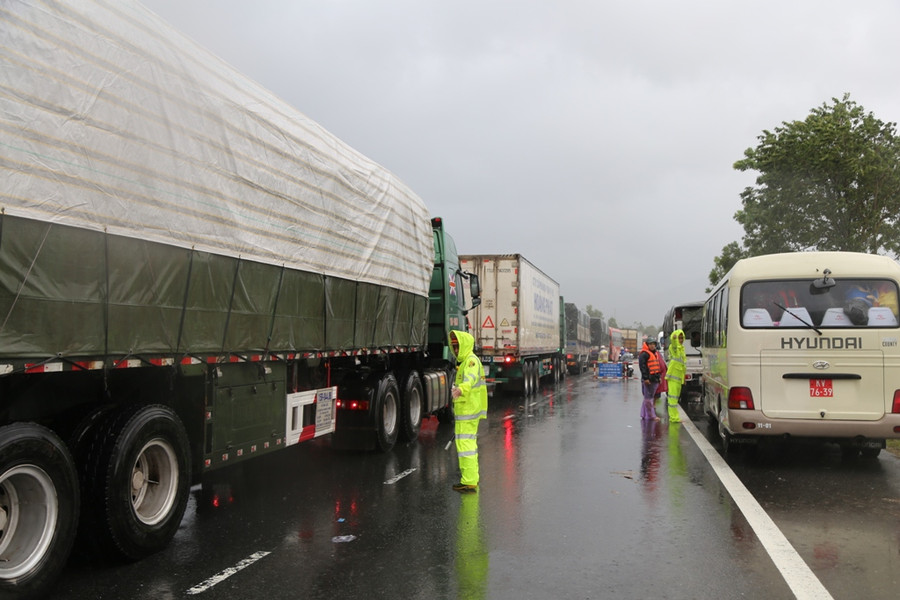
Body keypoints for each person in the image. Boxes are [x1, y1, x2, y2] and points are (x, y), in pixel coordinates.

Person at [449, 329, 488, 493]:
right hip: (467, 410)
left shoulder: (471, 361)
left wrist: (461, 389)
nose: (456, 350)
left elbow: (470, 379)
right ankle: (471, 479)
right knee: (467, 445)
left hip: (468, 411)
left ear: (465, 345)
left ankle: (469, 481)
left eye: (458, 346)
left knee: (466, 447)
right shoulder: (466, 361)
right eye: (454, 347)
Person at [665, 329, 686, 423]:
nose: (680, 340)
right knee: (672, 399)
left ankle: (675, 416)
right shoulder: (674, 348)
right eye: (679, 338)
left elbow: (683, 366)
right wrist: (673, 339)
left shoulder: (682, 349)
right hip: (673, 378)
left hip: (678, 379)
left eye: (681, 338)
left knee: (675, 399)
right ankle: (673, 417)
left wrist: (683, 379)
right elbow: (673, 345)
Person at [638, 337, 661, 421]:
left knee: (648, 398)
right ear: (647, 345)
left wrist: (658, 377)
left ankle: (644, 414)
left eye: (654, 344)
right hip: (649, 380)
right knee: (649, 399)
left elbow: (657, 367)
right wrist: (646, 378)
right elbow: (643, 367)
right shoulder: (644, 354)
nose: (652, 346)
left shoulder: (654, 353)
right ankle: (651, 416)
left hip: (654, 379)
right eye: (650, 344)